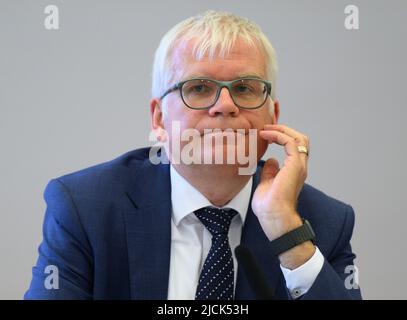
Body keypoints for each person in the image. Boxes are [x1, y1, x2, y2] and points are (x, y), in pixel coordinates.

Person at [25, 11, 361, 300]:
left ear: (272, 116)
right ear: (159, 119)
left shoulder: (323, 221)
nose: (225, 106)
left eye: (244, 88)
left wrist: (286, 232)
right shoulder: (86, 207)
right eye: (199, 88)